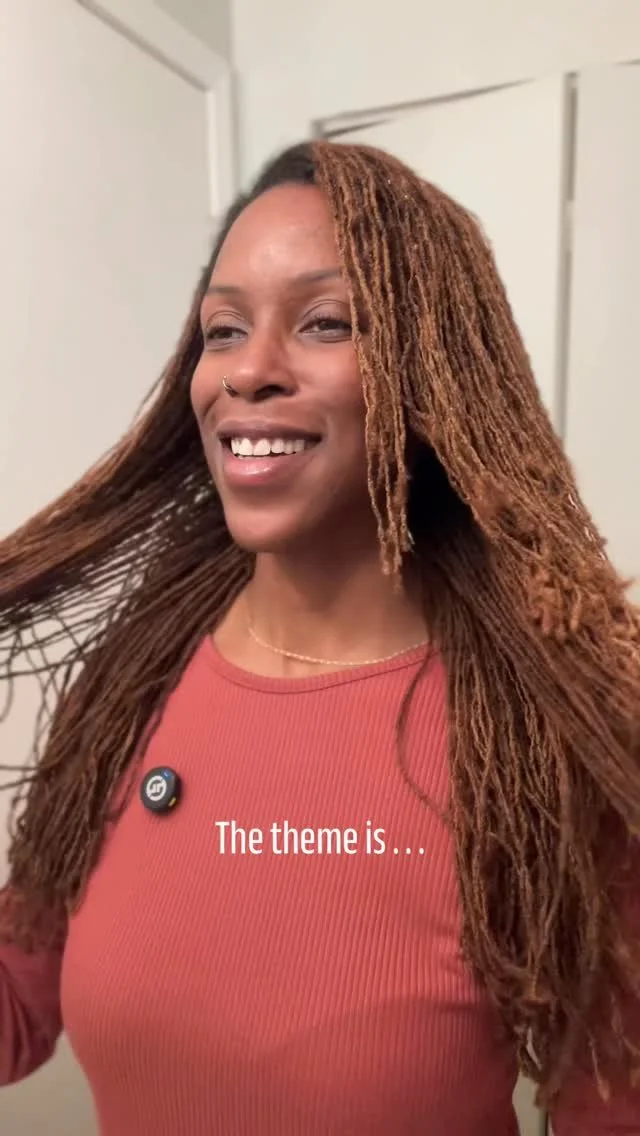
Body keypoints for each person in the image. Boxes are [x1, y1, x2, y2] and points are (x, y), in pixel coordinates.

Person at [0, 139, 639, 1136]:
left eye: (325, 321)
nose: (249, 372)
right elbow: (16, 1010)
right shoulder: (129, 691)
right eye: (222, 330)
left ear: (433, 374)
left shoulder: (541, 743)